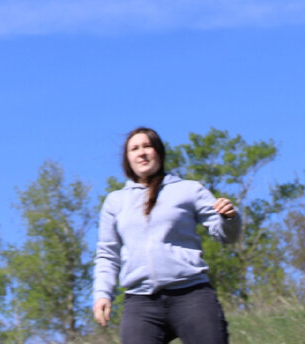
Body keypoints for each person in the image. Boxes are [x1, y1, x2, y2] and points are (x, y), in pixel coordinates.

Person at [92, 127, 241, 343]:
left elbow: (226, 236)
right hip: (141, 303)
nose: (141, 153)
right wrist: (102, 294)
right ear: (127, 159)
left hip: (191, 295)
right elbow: (108, 254)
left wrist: (230, 218)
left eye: (147, 146)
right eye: (134, 149)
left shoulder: (188, 190)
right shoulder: (115, 201)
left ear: (159, 153)